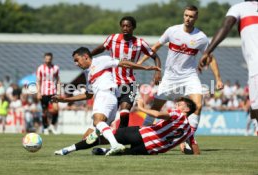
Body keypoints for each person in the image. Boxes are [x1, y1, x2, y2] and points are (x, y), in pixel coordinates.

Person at [138, 5, 224, 154]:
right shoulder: (172, 31)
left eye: (191, 16)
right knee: (155, 108)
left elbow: (210, 58)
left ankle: (188, 140)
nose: (188, 18)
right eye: (186, 15)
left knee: (197, 106)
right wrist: (139, 63)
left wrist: (218, 78)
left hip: (189, 76)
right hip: (170, 78)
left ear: (196, 18)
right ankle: (141, 136)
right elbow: (155, 47)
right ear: (183, 15)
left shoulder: (201, 37)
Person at [52, 47, 160, 156]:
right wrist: (65, 99)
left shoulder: (101, 60)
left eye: (77, 60)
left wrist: (144, 68)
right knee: (88, 137)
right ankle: (66, 150)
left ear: (85, 57)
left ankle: (115, 145)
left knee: (97, 121)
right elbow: (88, 94)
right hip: (108, 99)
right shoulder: (87, 73)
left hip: (106, 94)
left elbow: (124, 63)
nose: (76, 63)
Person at [54, 97, 197, 156]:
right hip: (150, 149)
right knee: (123, 153)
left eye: (181, 103)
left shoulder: (178, 113)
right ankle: (105, 151)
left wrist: (142, 107)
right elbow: (191, 147)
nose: (178, 104)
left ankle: (68, 149)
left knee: (102, 137)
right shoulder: (189, 130)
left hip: (141, 134)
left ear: (187, 109)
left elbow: (159, 115)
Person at [91, 16, 161, 129]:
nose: (125, 28)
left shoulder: (139, 43)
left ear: (133, 27)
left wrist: (157, 72)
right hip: (112, 83)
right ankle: (102, 135)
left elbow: (155, 56)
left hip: (129, 83)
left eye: (128, 26)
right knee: (108, 116)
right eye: (123, 26)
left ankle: (122, 137)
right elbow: (101, 48)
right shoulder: (113, 39)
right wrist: (89, 55)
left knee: (124, 112)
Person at [199, 0, 258, 125]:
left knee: (256, 110)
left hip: (256, 66)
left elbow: (226, 25)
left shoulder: (240, 7)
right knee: (254, 110)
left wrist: (207, 52)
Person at [36, 52, 60, 135]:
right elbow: (38, 81)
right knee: (44, 111)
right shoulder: (40, 68)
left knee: (56, 109)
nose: (48, 61)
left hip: (53, 92)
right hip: (44, 93)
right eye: (46, 59)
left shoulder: (56, 68)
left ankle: (52, 126)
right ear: (44, 59)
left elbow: (58, 80)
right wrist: (38, 92)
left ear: (52, 59)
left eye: (49, 59)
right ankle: (45, 128)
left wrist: (59, 91)